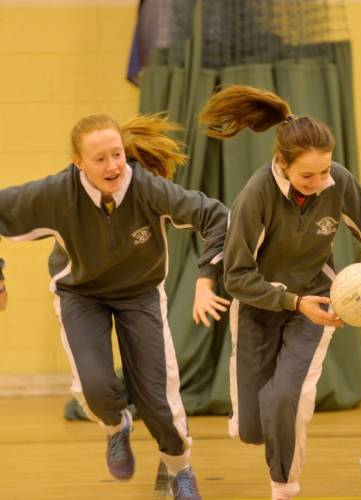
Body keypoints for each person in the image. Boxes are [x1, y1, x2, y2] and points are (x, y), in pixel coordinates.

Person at [0, 113, 231, 500]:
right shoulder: (56, 194)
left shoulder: (148, 189)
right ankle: (116, 426)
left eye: (118, 155)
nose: (113, 166)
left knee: (158, 399)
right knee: (94, 387)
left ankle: (179, 471)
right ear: (78, 162)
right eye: (100, 159)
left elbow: (216, 215)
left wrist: (206, 277)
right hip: (81, 293)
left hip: (139, 293)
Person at [198, 85, 361, 500]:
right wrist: (287, 300)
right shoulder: (254, 198)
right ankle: (264, 435)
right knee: (252, 429)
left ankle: (284, 487)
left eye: (324, 171)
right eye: (306, 175)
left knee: (288, 396)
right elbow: (237, 277)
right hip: (259, 303)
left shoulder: (336, 182)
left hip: (316, 300)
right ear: (282, 163)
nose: (318, 182)